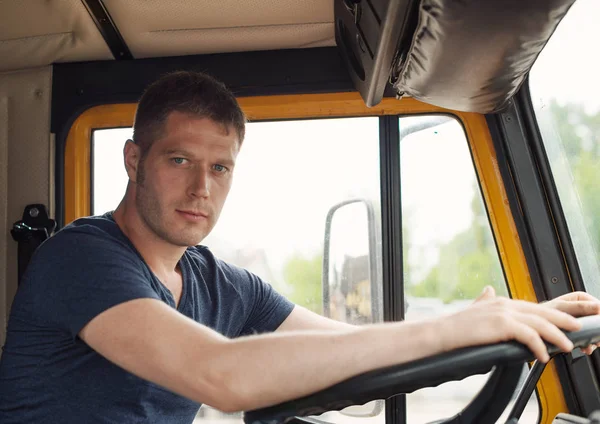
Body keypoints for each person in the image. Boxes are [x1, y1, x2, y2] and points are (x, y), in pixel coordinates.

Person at [0, 71, 599, 424]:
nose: (200, 188)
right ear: (135, 161)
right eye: (178, 160)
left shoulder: (220, 284)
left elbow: (343, 349)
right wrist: (449, 330)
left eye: (220, 168)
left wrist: (484, 330)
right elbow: (221, 375)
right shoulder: (80, 258)